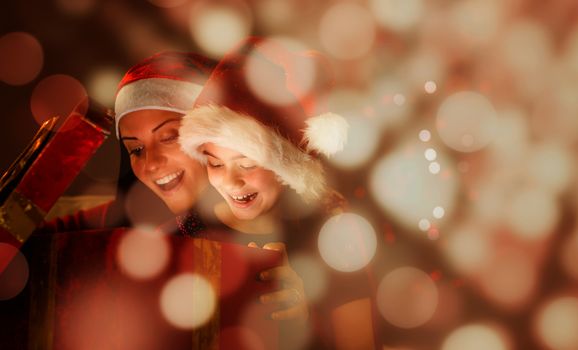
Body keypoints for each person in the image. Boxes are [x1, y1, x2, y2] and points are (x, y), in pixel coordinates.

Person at [36, 51, 310, 323]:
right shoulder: (132, 220)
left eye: (169, 137)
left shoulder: (303, 217)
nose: (152, 164)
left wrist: (304, 310)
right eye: (136, 149)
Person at [178, 38, 381, 350]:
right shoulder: (191, 227)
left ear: (285, 165)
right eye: (215, 163)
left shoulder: (331, 236)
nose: (231, 182)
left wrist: (308, 315)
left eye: (247, 164)